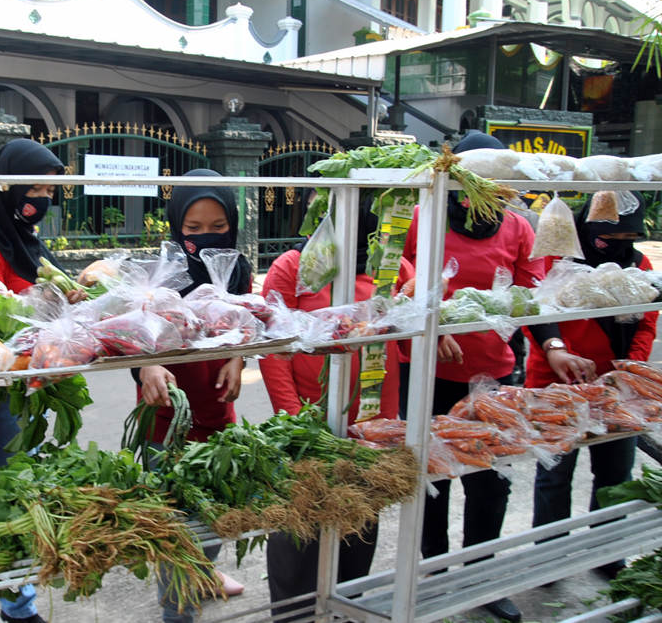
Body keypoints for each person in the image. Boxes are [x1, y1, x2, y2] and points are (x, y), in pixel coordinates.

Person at [397, 131, 551, 623]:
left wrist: (554, 345)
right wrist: (431, 314)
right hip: (426, 370)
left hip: (493, 370)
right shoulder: (425, 215)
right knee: (432, 476)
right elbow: (396, 267)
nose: (493, 191)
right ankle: (435, 574)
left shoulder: (517, 229)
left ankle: (480, 576)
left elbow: (532, 293)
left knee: (490, 479)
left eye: (499, 184)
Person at [259, 190, 400, 619]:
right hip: (308, 417)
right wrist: (294, 418)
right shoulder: (293, 266)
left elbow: (407, 318)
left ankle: (347, 604)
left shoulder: (388, 265)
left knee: (361, 509)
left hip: (374, 414)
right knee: (301, 515)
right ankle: (293, 611)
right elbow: (274, 344)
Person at [0, 139, 73, 623]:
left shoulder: (21, 235)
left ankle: (15, 598)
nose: (42, 197)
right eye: (34, 186)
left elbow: (39, 300)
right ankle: (17, 606)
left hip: (23, 384)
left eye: (49, 188)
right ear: (4, 186)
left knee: (19, 485)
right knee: (9, 489)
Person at [135, 168, 248, 623]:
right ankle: (177, 612)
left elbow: (246, 328)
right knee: (174, 523)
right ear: (176, 225)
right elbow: (132, 336)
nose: (205, 238)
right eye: (193, 229)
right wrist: (146, 365)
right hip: (166, 419)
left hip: (219, 413)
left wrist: (241, 358)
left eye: (217, 228)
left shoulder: (237, 269)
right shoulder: (159, 273)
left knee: (216, 514)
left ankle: (205, 572)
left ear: (233, 226)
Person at [526, 191, 657, 580]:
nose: (618, 248)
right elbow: (535, 308)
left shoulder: (639, 264)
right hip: (557, 382)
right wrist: (556, 349)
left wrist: (628, 369)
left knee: (616, 473)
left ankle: (608, 555)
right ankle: (549, 558)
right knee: (554, 475)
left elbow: (647, 321)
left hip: (617, 389)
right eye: (609, 240)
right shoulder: (560, 255)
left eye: (626, 240)